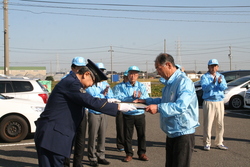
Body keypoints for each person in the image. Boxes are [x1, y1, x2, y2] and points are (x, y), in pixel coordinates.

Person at [34, 59, 136, 167]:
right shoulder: (72, 83)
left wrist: (107, 101)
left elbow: (85, 99)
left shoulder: (72, 82)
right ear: (86, 74)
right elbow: (90, 101)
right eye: (93, 81)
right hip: (53, 137)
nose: (92, 85)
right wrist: (118, 107)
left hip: (55, 135)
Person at [134, 53, 200, 167]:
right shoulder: (169, 83)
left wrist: (158, 108)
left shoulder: (183, 82)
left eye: (159, 68)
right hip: (172, 132)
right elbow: (165, 101)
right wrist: (146, 101)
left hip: (183, 133)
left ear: (168, 65)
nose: (158, 72)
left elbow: (180, 106)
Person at [113, 66, 149, 162]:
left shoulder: (141, 86)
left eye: (135, 74)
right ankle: (129, 153)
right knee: (127, 135)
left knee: (141, 134)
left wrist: (141, 98)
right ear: (128, 75)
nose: (133, 76)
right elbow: (119, 98)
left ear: (138, 76)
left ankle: (142, 153)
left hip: (139, 113)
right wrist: (131, 98)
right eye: (131, 74)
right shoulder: (122, 86)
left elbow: (146, 97)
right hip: (128, 113)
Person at [86, 63, 113, 166]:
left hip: (104, 111)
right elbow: (93, 96)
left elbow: (110, 95)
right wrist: (103, 94)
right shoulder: (90, 83)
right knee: (92, 136)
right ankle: (92, 158)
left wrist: (105, 94)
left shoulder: (105, 83)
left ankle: (101, 156)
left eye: (102, 70)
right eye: (99, 70)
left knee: (102, 135)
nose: (101, 72)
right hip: (93, 112)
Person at [201, 59, 228, 151]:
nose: (213, 68)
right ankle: (207, 143)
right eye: (211, 66)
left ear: (218, 67)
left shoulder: (221, 76)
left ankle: (219, 142)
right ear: (208, 67)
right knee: (208, 123)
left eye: (215, 66)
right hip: (209, 101)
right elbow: (205, 88)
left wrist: (219, 82)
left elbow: (224, 87)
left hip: (219, 101)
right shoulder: (204, 77)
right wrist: (213, 83)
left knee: (220, 123)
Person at [112, 70, 128, 152]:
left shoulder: (132, 86)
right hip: (120, 108)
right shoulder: (118, 86)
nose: (127, 78)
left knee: (128, 128)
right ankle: (120, 144)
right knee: (120, 127)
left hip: (129, 109)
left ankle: (127, 144)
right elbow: (116, 97)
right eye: (126, 76)